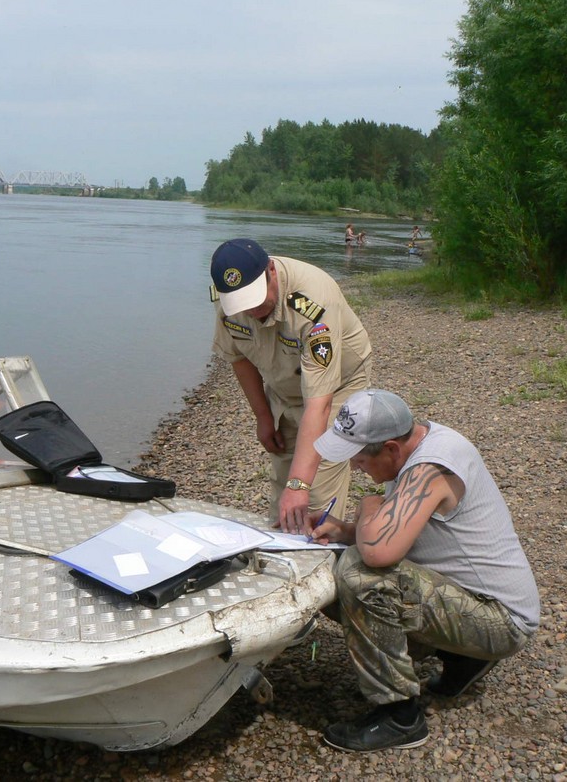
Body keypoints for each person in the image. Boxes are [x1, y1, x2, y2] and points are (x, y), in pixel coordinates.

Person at [309, 389, 540, 753]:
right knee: (332, 561)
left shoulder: (431, 467)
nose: (355, 467)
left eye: (358, 459)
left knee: (358, 574)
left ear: (391, 449)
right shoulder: (417, 445)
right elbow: (407, 531)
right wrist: (345, 530)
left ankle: (399, 716)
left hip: (501, 619)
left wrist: (369, 506)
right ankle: (462, 656)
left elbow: (379, 552)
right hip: (475, 599)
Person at [210, 238, 373, 533]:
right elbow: (239, 358)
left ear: (271, 271)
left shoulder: (312, 303)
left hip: (337, 386)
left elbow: (319, 403)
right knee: (284, 480)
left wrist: (300, 485)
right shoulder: (230, 302)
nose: (252, 310)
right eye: (243, 304)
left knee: (314, 495)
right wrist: (262, 416)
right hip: (285, 384)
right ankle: (285, 549)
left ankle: (321, 555)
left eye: (256, 299)